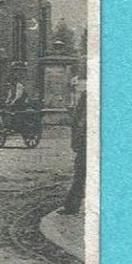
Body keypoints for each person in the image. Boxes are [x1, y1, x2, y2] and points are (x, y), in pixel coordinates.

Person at [61, 87, 87, 215]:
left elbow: (77, 120)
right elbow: (77, 120)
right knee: (80, 173)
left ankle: (72, 207)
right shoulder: (87, 94)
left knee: (81, 173)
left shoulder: (87, 93)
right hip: (86, 140)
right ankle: (71, 207)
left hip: (87, 140)